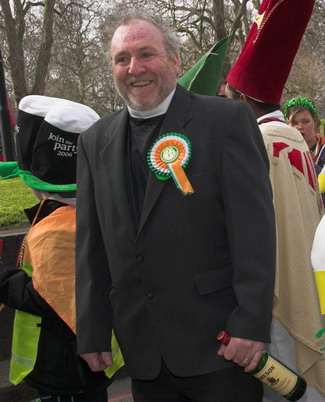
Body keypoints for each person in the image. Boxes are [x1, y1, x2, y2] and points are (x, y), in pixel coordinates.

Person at [75, 10, 276, 401]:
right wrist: (93, 329)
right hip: (145, 354)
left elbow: (254, 233)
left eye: (146, 54)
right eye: (122, 59)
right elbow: (92, 247)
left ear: (175, 59)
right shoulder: (94, 141)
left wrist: (251, 325)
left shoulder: (226, 120)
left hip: (221, 347)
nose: (135, 68)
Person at [225, 1, 325, 400]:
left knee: (287, 374)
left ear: (242, 100)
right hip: (305, 269)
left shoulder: (262, 141)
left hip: (281, 285)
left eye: (230, 98)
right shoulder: (291, 136)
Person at [0, 96, 120, 401]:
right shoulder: (90, 212)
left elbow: (44, 297)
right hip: (85, 363)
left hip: (66, 368)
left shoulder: (59, 227)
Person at [284, 96, 325, 211]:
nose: (300, 127)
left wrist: (306, 158)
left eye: (305, 121)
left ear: (314, 122)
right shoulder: (283, 154)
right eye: (294, 123)